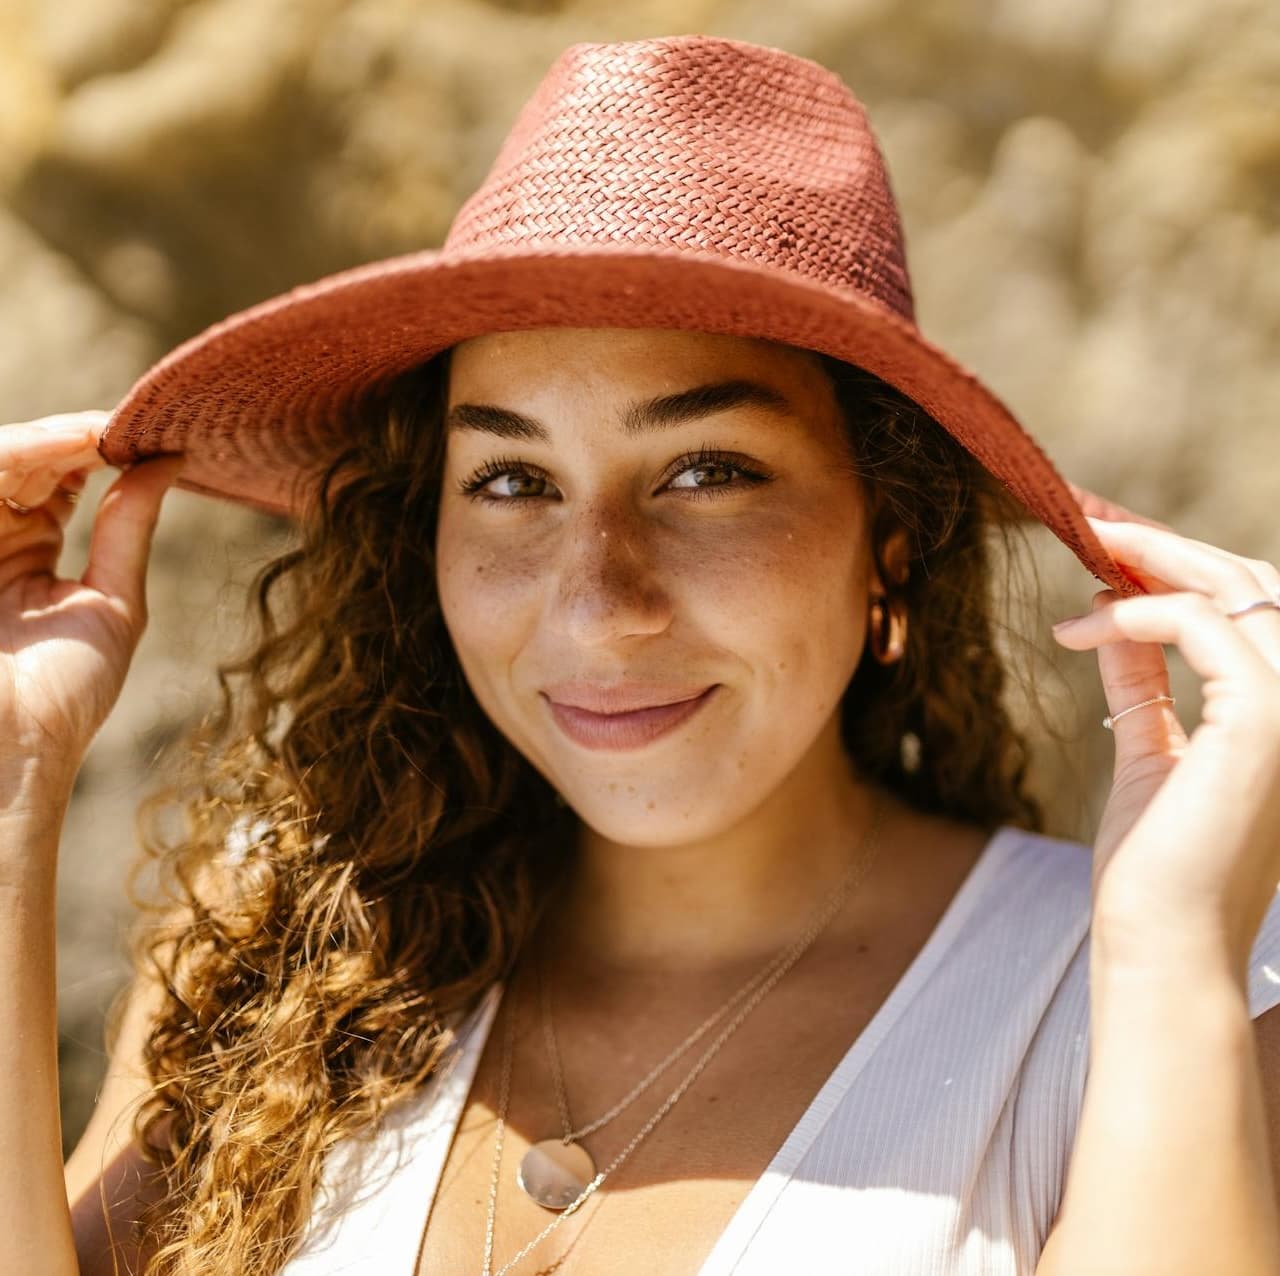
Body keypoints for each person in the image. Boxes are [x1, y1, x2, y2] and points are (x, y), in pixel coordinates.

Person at [5, 32, 1280, 1276]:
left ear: (887, 538)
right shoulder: (285, 940)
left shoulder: (1148, 987)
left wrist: (1176, 952)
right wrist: (12, 776)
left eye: (705, 472)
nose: (598, 603)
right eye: (510, 479)